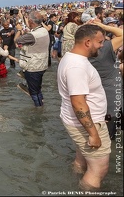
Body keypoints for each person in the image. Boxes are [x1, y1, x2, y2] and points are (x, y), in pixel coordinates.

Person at [57, 24, 111, 191]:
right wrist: (93, 133)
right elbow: (78, 103)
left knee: (82, 161)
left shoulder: (72, 58)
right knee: (98, 170)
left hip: (77, 122)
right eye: (100, 42)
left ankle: (73, 181)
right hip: (87, 124)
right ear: (88, 42)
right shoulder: (77, 66)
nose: (102, 46)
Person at [88, 20, 123, 140]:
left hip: (96, 95)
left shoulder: (83, 54)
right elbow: (122, 34)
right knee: (112, 130)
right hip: (112, 92)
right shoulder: (105, 48)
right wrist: (103, 26)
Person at [14, 11, 49, 107]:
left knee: (34, 92)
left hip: (33, 66)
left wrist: (19, 30)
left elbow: (17, 40)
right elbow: (32, 33)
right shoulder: (44, 30)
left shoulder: (32, 35)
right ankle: (41, 103)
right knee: (38, 89)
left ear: (31, 22)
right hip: (42, 64)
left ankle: (39, 108)